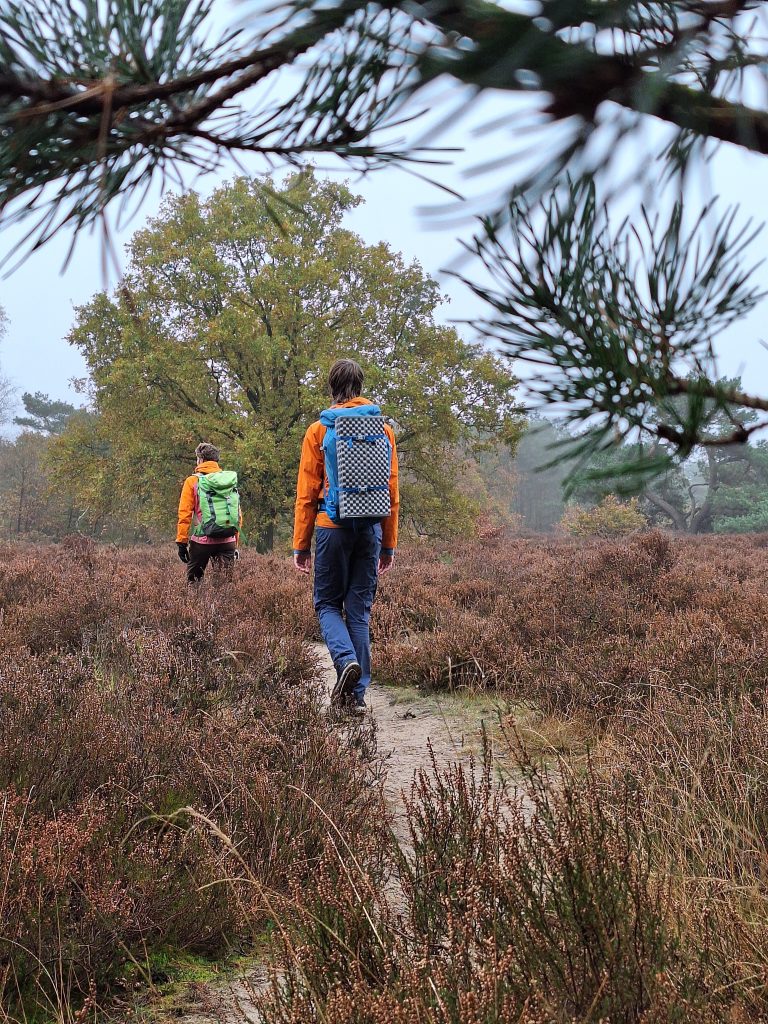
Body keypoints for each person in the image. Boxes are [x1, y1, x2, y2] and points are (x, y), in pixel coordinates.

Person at [293, 359, 399, 714]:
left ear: (332, 387)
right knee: (358, 611)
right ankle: (355, 698)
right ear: (360, 385)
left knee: (326, 604)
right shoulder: (382, 430)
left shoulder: (319, 430)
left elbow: (307, 492)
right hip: (370, 527)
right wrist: (388, 543)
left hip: (330, 527)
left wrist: (300, 545)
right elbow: (392, 490)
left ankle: (345, 660)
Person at [177, 442, 241, 583]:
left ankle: (197, 605)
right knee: (224, 587)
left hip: (202, 541)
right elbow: (237, 514)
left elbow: (185, 514)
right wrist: (235, 542)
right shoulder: (229, 481)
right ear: (216, 461)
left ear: (201, 459)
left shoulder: (192, 481)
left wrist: (182, 541)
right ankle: (220, 606)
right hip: (227, 540)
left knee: (193, 583)